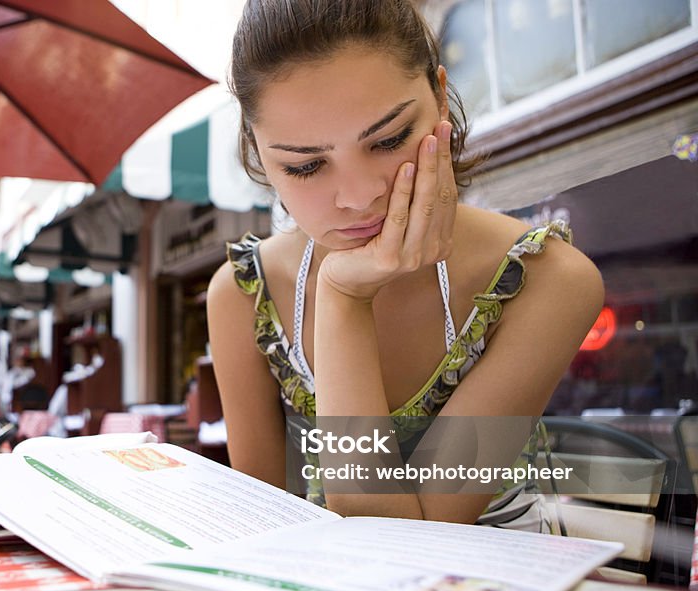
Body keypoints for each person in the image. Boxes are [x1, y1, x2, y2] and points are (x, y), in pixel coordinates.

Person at [207, 0, 603, 530]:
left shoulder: (547, 279)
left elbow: (401, 533)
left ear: (441, 98)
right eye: (305, 166)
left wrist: (346, 294)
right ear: (257, 153)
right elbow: (258, 528)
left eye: (389, 140)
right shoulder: (242, 293)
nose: (360, 195)